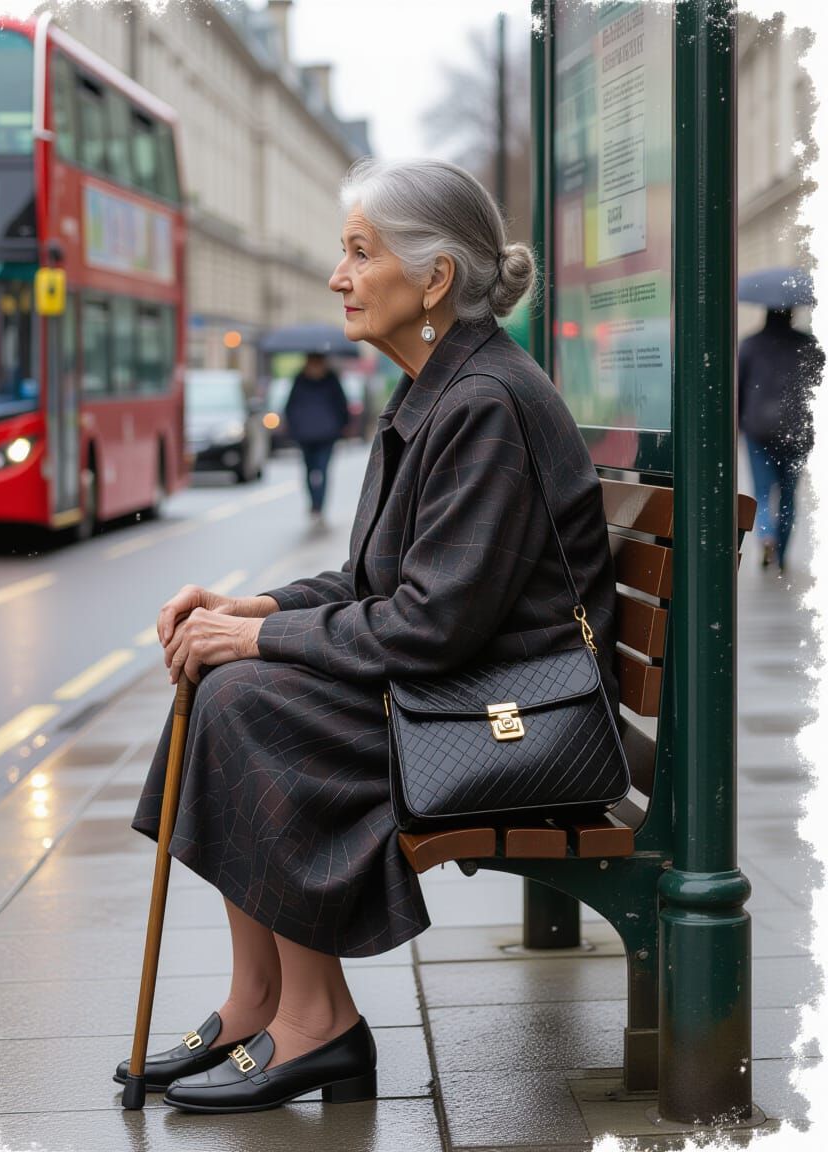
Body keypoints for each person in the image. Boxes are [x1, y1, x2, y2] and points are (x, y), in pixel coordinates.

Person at [116, 158, 619, 1114]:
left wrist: (255, 648)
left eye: (359, 253)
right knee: (226, 681)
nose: (338, 277)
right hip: (477, 687)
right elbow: (368, 585)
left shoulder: (483, 404)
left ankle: (320, 1023)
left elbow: (429, 628)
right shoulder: (441, 387)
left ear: (433, 280)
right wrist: (250, 612)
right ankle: (257, 998)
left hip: (511, 714)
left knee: (252, 701)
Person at [738, 307, 822, 573]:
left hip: (758, 428)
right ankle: (782, 554)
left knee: (762, 492)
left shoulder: (750, 345)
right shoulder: (808, 345)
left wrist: (740, 422)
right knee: (788, 494)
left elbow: (739, 387)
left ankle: (766, 534)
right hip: (796, 431)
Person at [284, 352, 350, 524]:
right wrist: (342, 426)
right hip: (325, 433)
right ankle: (318, 505)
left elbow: (290, 407)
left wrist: (293, 427)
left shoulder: (300, 379)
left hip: (308, 433)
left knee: (310, 470)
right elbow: (342, 405)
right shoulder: (330, 379)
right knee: (321, 470)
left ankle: (315, 505)